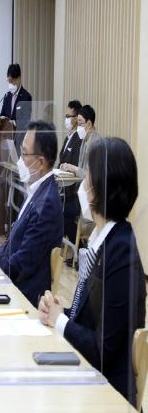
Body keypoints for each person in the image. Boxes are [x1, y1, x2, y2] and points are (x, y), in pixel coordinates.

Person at [39, 137, 146, 406]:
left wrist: (59, 321)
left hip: (107, 395)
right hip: (87, 377)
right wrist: (59, 313)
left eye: (88, 175)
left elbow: (103, 351)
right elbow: (89, 320)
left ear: (98, 188)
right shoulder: (104, 239)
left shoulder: (121, 254)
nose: (83, 183)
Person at [0, 121, 63, 306]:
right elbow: (15, 237)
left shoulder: (46, 203)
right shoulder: (36, 190)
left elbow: (24, 261)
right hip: (12, 282)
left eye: (24, 153)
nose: (19, 161)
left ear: (40, 162)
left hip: (24, 296)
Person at [58, 100, 83, 248]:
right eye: (66, 116)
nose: (66, 119)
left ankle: (78, 247)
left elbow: (74, 166)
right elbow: (61, 161)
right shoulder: (68, 137)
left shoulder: (78, 139)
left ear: (76, 118)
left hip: (73, 193)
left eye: (69, 116)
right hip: (63, 190)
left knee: (63, 214)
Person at [60, 104, 101, 179]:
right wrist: (69, 168)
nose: (78, 127)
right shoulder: (84, 140)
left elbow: (91, 175)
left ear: (89, 124)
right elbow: (81, 169)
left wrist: (74, 168)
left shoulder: (97, 144)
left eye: (80, 124)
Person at [0, 63, 32, 153]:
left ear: (18, 78)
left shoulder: (26, 97)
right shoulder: (7, 96)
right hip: (6, 140)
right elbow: (2, 114)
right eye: (9, 81)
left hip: (19, 141)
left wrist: (13, 122)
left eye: (12, 81)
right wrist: (2, 118)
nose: (10, 84)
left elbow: (26, 120)